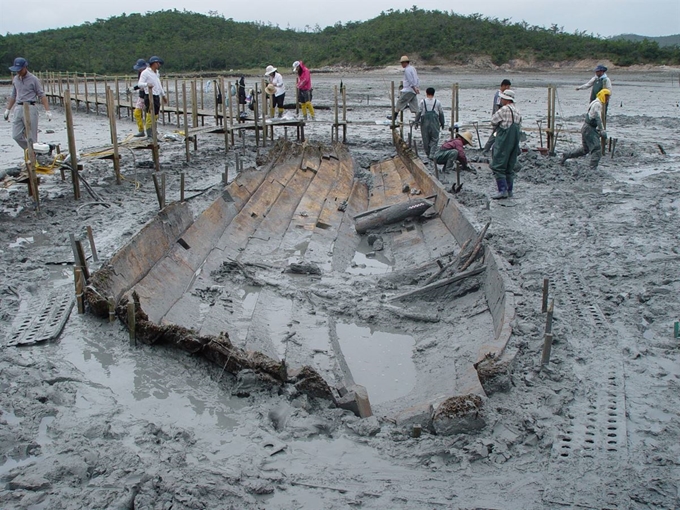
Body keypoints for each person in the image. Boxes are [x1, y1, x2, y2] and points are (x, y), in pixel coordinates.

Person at [3, 57, 52, 151]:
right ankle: (32, 151)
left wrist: (47, 110)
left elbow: (42, 95)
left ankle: (34, 156)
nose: (18, 72)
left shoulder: (33, 79)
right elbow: (13, 94)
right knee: (16, 135)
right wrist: (7, 110)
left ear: (25, 67)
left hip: (30, 107)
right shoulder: (15, 79)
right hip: (18, 107)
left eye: (20, 69)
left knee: (32, 137)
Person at [561, 88, 611, 170]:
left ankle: (567, 155)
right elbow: (597, 117)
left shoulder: (594, 102)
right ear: (603, 95)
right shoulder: (597, 104)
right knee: (597, 149)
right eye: (607, 97)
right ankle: (592, 168)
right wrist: (602, 130)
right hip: (589, 129)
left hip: (586, 128)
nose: (608, 99)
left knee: (585, 149)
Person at [488, 89, 522, 199]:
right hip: (514, 141)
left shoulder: (504, 110)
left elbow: (493, 121)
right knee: (509, 166)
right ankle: (510, 190)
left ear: (506, 99)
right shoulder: (517, 111)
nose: (501, 100)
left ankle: (502, 190)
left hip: (504, 140)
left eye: (502, 98)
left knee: (498, 164)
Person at [138, 56, 167, 138]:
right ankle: (149, 133)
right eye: (158, 63)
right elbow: (140, 84)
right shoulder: (145, 72)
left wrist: (163, 95)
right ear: (154, 63)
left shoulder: (156, 72)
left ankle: (154, 130)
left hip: (156, 95)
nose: (159, 65)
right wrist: (147, 84)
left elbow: (159, 84)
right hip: (149, 96)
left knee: (156, 115)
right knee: (150, 115)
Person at [414, 87, 445, 160]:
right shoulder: (437, 102)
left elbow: (419, 112)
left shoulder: (422, 102)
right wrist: (442, 123)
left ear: (426, 93)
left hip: (424, 122)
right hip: (434, 122)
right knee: (435, 138)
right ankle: (432, 153)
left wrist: (416, 122)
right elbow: (441, 113)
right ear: (434, 93)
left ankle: (428, 153)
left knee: (425, 138)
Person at [482, 79, 511, 155]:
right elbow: (496, 108)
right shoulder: (499, 95)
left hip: (500, 118)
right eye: (507, 87)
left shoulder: (502, 95)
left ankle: (488, 150)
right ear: (503, 86)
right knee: (495, 135)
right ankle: (486, 150)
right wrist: (497, 119)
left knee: (496, 135)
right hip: (498, 119)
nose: (508, 89)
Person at [389, 55, 420, 120]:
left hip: (408, 90)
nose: (402, 64)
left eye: (402, 63)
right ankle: (418, 119)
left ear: (405, 62)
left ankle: (394, 116)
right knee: (415, 107)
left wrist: (414, 88)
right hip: (413, 91)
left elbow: (410, 80)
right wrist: (416, 87)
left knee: (399, 102)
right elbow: (416, 78)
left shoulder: (407, 70)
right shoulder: (412, 68)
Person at [132, 59, 147, 137]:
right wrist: (134, 88)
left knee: (149, 114)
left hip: (149, 96)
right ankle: (141, 130)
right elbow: (140, 84)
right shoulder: (139, 74)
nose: (140, 69)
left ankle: (151, 131)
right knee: (137, 112)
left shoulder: (148, 73)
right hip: (141, 96)